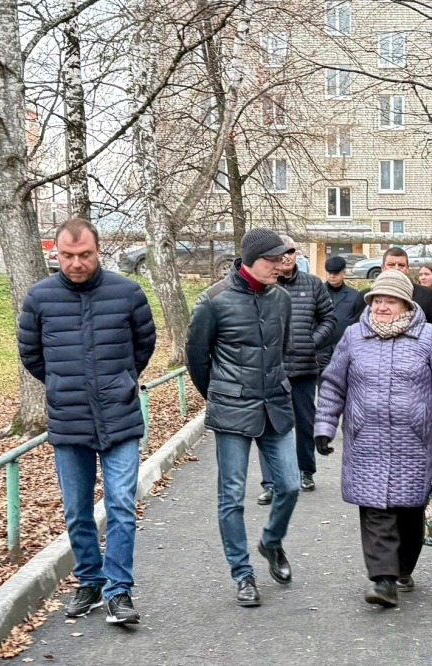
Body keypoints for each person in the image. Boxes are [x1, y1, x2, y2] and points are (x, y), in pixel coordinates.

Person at [18, 217, 156, 625]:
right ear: (55, 254)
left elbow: (143, 344)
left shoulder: (128, 292)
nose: (76, 263)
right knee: (77, 510)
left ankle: (119, 591)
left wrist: (122, 380)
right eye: (67, 256)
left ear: (98, 252)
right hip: (68, 418)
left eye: (85, 255)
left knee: (120, 507)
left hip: (120, 417)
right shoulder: (39, 298)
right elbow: (31, 355)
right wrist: (62, 384)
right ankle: (90, 581)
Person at [314, 271, 432, 608]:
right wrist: (324, 425)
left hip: (413, 443)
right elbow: (334, 384)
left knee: (410, 514)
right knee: (375, 511)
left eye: (390, 301)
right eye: (377, 300)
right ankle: (383, 580)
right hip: (365, 441)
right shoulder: (353, 337)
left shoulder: (430, 338)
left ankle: (402, 568)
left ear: (406, 304)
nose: (382, 306)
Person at [185, 227, 301, 608]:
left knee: (289, 485)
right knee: (231, 498)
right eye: (274, 259)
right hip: (232, 411)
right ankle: (243, 574)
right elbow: (198, 360)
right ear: (253, 260)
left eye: (283, 258)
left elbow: (281, 350)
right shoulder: (213, 301)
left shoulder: (281, 298)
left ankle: (270, 541)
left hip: (275, 406)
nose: (281, 265)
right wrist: (221, 397)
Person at [255, 236, 335, 501]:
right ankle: (271, 482)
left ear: (296, 254)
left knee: (304, 422)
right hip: (270, 370)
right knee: (271, 425)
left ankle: (305, 471)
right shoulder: (265, 285)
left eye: (291, 252)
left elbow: (329, 319)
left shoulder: (313, 285)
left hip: (303, 368)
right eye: (282, 253)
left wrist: (312, 342)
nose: (286, 257)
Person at [354, 247, 432, 329]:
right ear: (383, 268)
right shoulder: (367, 295)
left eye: (401, 265)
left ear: (408, 269)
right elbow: (359, 329)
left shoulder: (425, 294)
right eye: (391, 265)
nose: (396, 268)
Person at [317, 255, 361, 370]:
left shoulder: (354, 295)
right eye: (329, 273)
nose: (332, 276)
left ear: (344, 273)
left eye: (335, 273)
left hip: (345, 350)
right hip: (321, 351)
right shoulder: (317, 293)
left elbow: (357, 323)